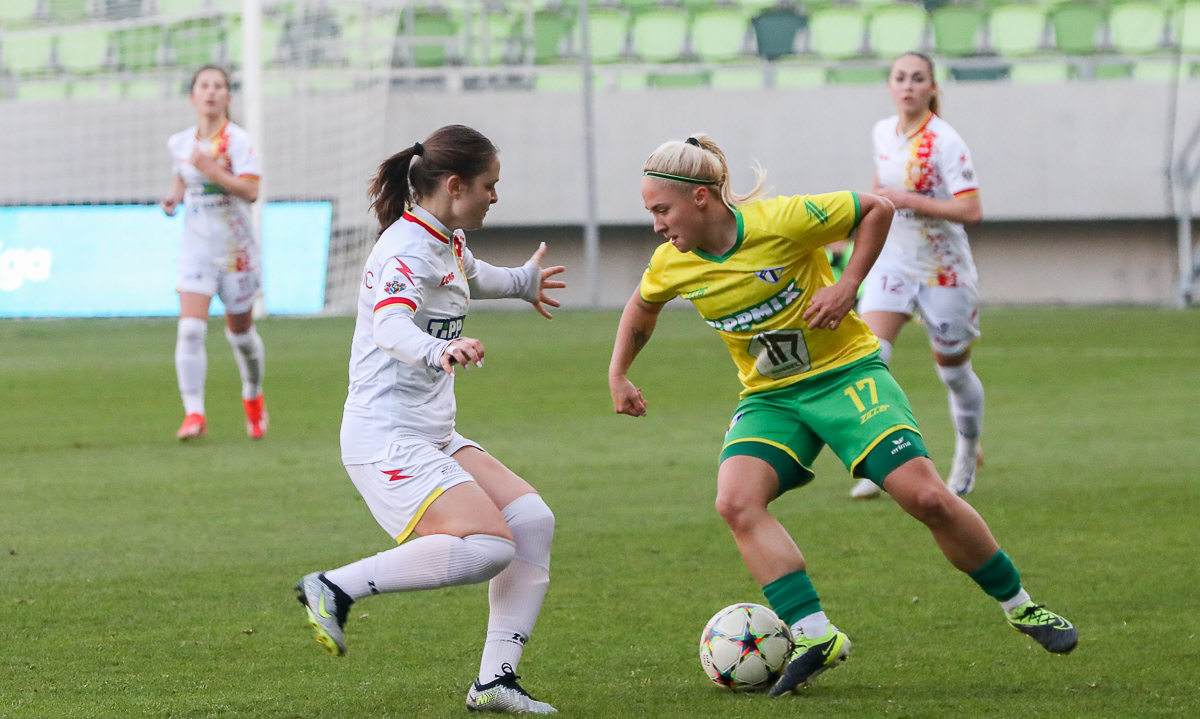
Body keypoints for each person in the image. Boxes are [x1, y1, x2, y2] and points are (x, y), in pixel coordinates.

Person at [608, 134, 1077, 697]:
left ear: (701, 197)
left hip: (847, 378)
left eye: (662, 210)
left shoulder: (781, 221)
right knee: (735, 501)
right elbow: (642, 306)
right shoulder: (672, 263)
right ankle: (815, 636)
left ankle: (1021, 606)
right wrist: (618, 373)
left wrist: (849, 285)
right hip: (771, 398)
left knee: (926, 498)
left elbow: (876, 208)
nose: (656, 225)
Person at [295, 125, 565, 714]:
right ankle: (334, 586)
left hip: (431, 433)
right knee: (489, 546)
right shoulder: (406, 250)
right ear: (455, 185)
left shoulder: (446, 239)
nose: (495, 195)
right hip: (384, 438)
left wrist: (523, 282)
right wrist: (439, 348)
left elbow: (475, 277)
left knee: (532, 521)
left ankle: (494, 682)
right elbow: (390, 326)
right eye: (490, 185)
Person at [849, 52, 985, 500]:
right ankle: (881, 461)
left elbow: (971, 209)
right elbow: (880, 190)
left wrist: (909, 199)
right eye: (900, 77)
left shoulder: (946, 141)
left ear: (932, 88)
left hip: (942, 269)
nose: (908, 85)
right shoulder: (882, 132)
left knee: (953, 373)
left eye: (918, 78)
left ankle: (967, 451)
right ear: (890, 85)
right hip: (893, 263)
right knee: (870, 360)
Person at [161, 65, 267, 441]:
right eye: (204, 86)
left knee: (241, 336)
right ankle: (194, 414)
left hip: (237, 252)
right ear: (193, 96)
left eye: (218, 86)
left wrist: (212, 170)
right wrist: (173, 198)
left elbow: (251, 191)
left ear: (227, 96)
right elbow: (182, 174)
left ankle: (253, 396)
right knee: (190, 330)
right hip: (197, 251)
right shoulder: (180, 143)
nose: (211, 92)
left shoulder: (238, 141)